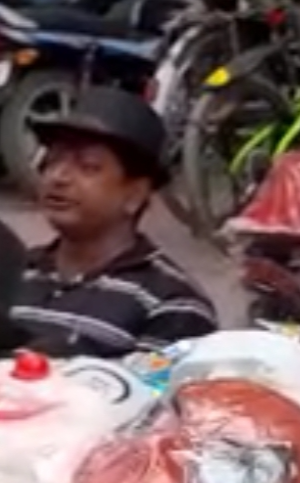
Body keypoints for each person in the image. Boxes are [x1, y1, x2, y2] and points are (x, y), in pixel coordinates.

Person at [13, 88, 216, 358]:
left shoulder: (172, 304)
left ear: (134, 195)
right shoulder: (12, 271)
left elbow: (157, 395)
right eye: (53, 161)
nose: (59, 177)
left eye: (88, 167)